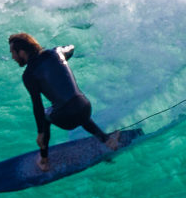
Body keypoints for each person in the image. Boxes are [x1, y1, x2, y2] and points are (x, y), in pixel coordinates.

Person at [9, 32, 117, 170]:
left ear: (22, 52)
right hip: (85, 107)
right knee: (74, 105)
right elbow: (71, 47)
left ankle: (44, 160)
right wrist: (62, 58)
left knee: (45, 115)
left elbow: (37, 105)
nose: (13, 57)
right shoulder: (56, 52)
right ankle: (106, 140)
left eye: (13, 53)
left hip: (67, 118)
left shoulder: (29, 75)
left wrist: (40, 133)